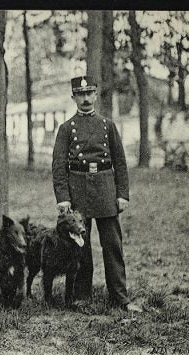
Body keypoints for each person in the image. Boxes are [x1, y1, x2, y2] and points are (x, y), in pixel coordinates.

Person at [52, 75, 142, 313]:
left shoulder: (107, 126)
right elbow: (58, 166)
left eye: (89, 93)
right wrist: (63, 197)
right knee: (81, 245)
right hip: (78, 188)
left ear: (95, 95)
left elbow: (120, 163)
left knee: (112, 244)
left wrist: (122, 194)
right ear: (74, 98)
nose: (85, 98)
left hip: (105, 189)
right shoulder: (66, 129)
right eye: (80, 95)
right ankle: (82, 296)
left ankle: (120, 297)